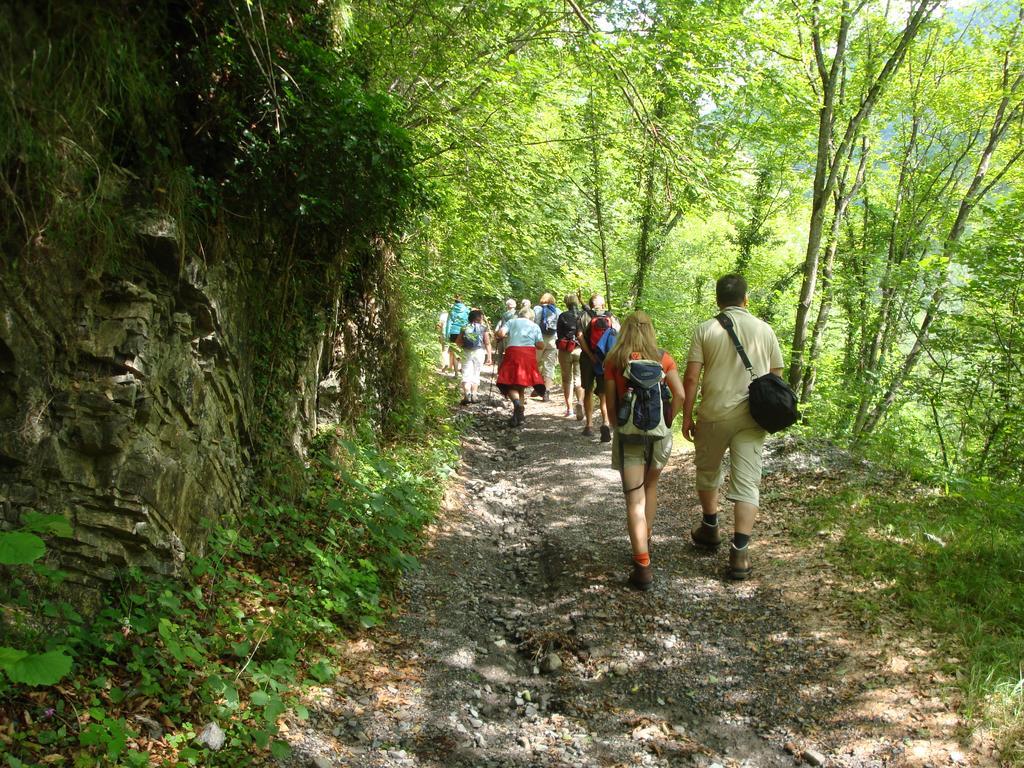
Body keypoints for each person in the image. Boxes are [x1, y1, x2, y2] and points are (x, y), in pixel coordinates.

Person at [683, 274, 784, 581]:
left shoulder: (706, 329)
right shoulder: (765, 330)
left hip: (714, 413)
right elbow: (776, 376)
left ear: (717, 300)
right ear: (746, 299)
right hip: (753, 417)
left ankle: (710, 527)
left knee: (708, 470)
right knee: (748, 482)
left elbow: (691, 378)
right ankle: (739, 553)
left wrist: (686, 416)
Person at [604, 312, 684, 591]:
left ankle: (642, 565)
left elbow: (611, 403)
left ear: (624, 330)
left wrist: (617, 427)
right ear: (650, 330)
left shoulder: (615, 360)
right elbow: (681, 395)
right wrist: (668, 421)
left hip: (630, 436)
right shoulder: (664, 358)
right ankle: (645, 539)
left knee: (633, 498)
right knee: (651, 487)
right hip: (659, 434)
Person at [578, 294, 618, 442]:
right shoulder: (610, 316)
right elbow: (616, 335)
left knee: (587, 390)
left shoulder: (583, 316)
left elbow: (580, 336)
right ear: (603, 304)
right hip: (604, 359)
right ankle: (605, 422)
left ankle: (588, 425)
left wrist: (589, 354)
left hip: (588, 359)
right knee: (604, 393)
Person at [495, 307, 545, 426]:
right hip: (528, 354)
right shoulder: (535, 326)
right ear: (531, 317)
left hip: (513, 353)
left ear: (520, 314)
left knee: (509, 383)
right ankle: (519, 415)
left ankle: (517, 405)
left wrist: (502, 337)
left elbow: (501, 333)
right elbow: (541, 345)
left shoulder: (512, 322)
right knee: (521, 384)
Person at [556, 294, 586, 419]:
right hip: (580, 350)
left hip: (566, 350)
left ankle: (569, 409)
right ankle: (580, 403)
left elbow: (558, 334)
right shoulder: (583, 315)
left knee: (566, 380)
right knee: (579, 379)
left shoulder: (563, 316)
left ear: (566, 303)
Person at [457, 309, 492, 404]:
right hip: (479, 352)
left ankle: (467, 395)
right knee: (476, 373)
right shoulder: (483, 328)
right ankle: (474, 396)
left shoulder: (464, 328)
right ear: (480, 318)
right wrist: (489, 357)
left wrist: (458, 353)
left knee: (466, 374)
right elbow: (487, 343)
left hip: (466, 351)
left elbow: (458, 342)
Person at [533, 293, 560, 402]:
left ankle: (538, 387)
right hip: (552, 340)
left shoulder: (537, 309)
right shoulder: (558, 311)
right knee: (549, 366)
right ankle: (547, 392)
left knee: (536, 363)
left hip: (539, 340)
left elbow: (533, 323)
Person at [446, 296, 470, 372]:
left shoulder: (452, 310)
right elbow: (469, 322)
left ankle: (456, 373)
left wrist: (447, 335)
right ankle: (463, 370)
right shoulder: (466, 310)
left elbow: (448, 323)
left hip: (453, 332)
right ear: (462, 302)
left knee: (454, 352)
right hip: (463, 331)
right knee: (462, 351)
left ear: (454, 302)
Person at [494, 298, 517, 368]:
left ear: (508, 306)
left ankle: (500, 370)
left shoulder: (505, 314)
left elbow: (502, 325)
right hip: (513, 336)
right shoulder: (517, 314)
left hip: (504, 335)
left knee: (500, 354)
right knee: (510, 354)